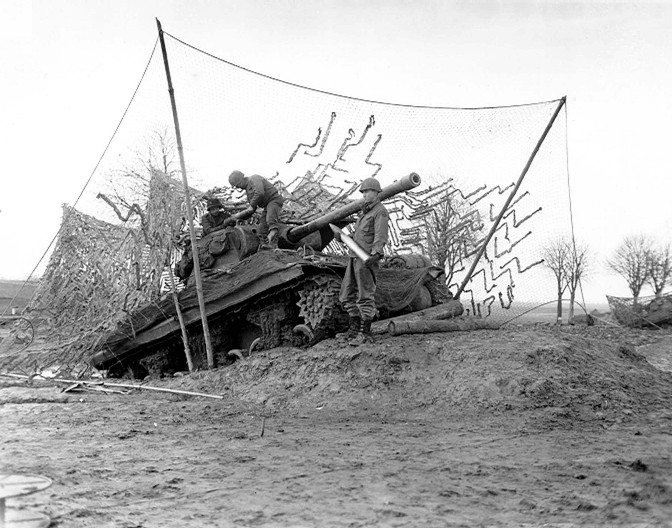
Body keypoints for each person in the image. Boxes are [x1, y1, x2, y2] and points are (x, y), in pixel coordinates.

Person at [336, 177, 389, 345]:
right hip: (354, 257)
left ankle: (364, 333)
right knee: (346, 295)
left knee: (365, 296)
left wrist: (375, 254)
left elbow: (380, 236)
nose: (365, 195)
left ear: (376, 193)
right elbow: (360, 236)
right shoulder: (365, 213)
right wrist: (345, 238)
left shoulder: (380, 211)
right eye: (363, 192)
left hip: (366, 259)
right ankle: (353, 330)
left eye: (367, 192)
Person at [227, 170, 284, 249]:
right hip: (266, 206)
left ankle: (273, 243)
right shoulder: (248, 191)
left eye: (237, 185)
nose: (238, 187)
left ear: (241, 180)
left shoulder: (254, 179)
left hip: (274, 200)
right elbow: (251, 210)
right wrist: (239, 217)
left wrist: (252, 205)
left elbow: (260, 193)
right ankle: (265, 246)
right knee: (262, 229)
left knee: (270, 221)